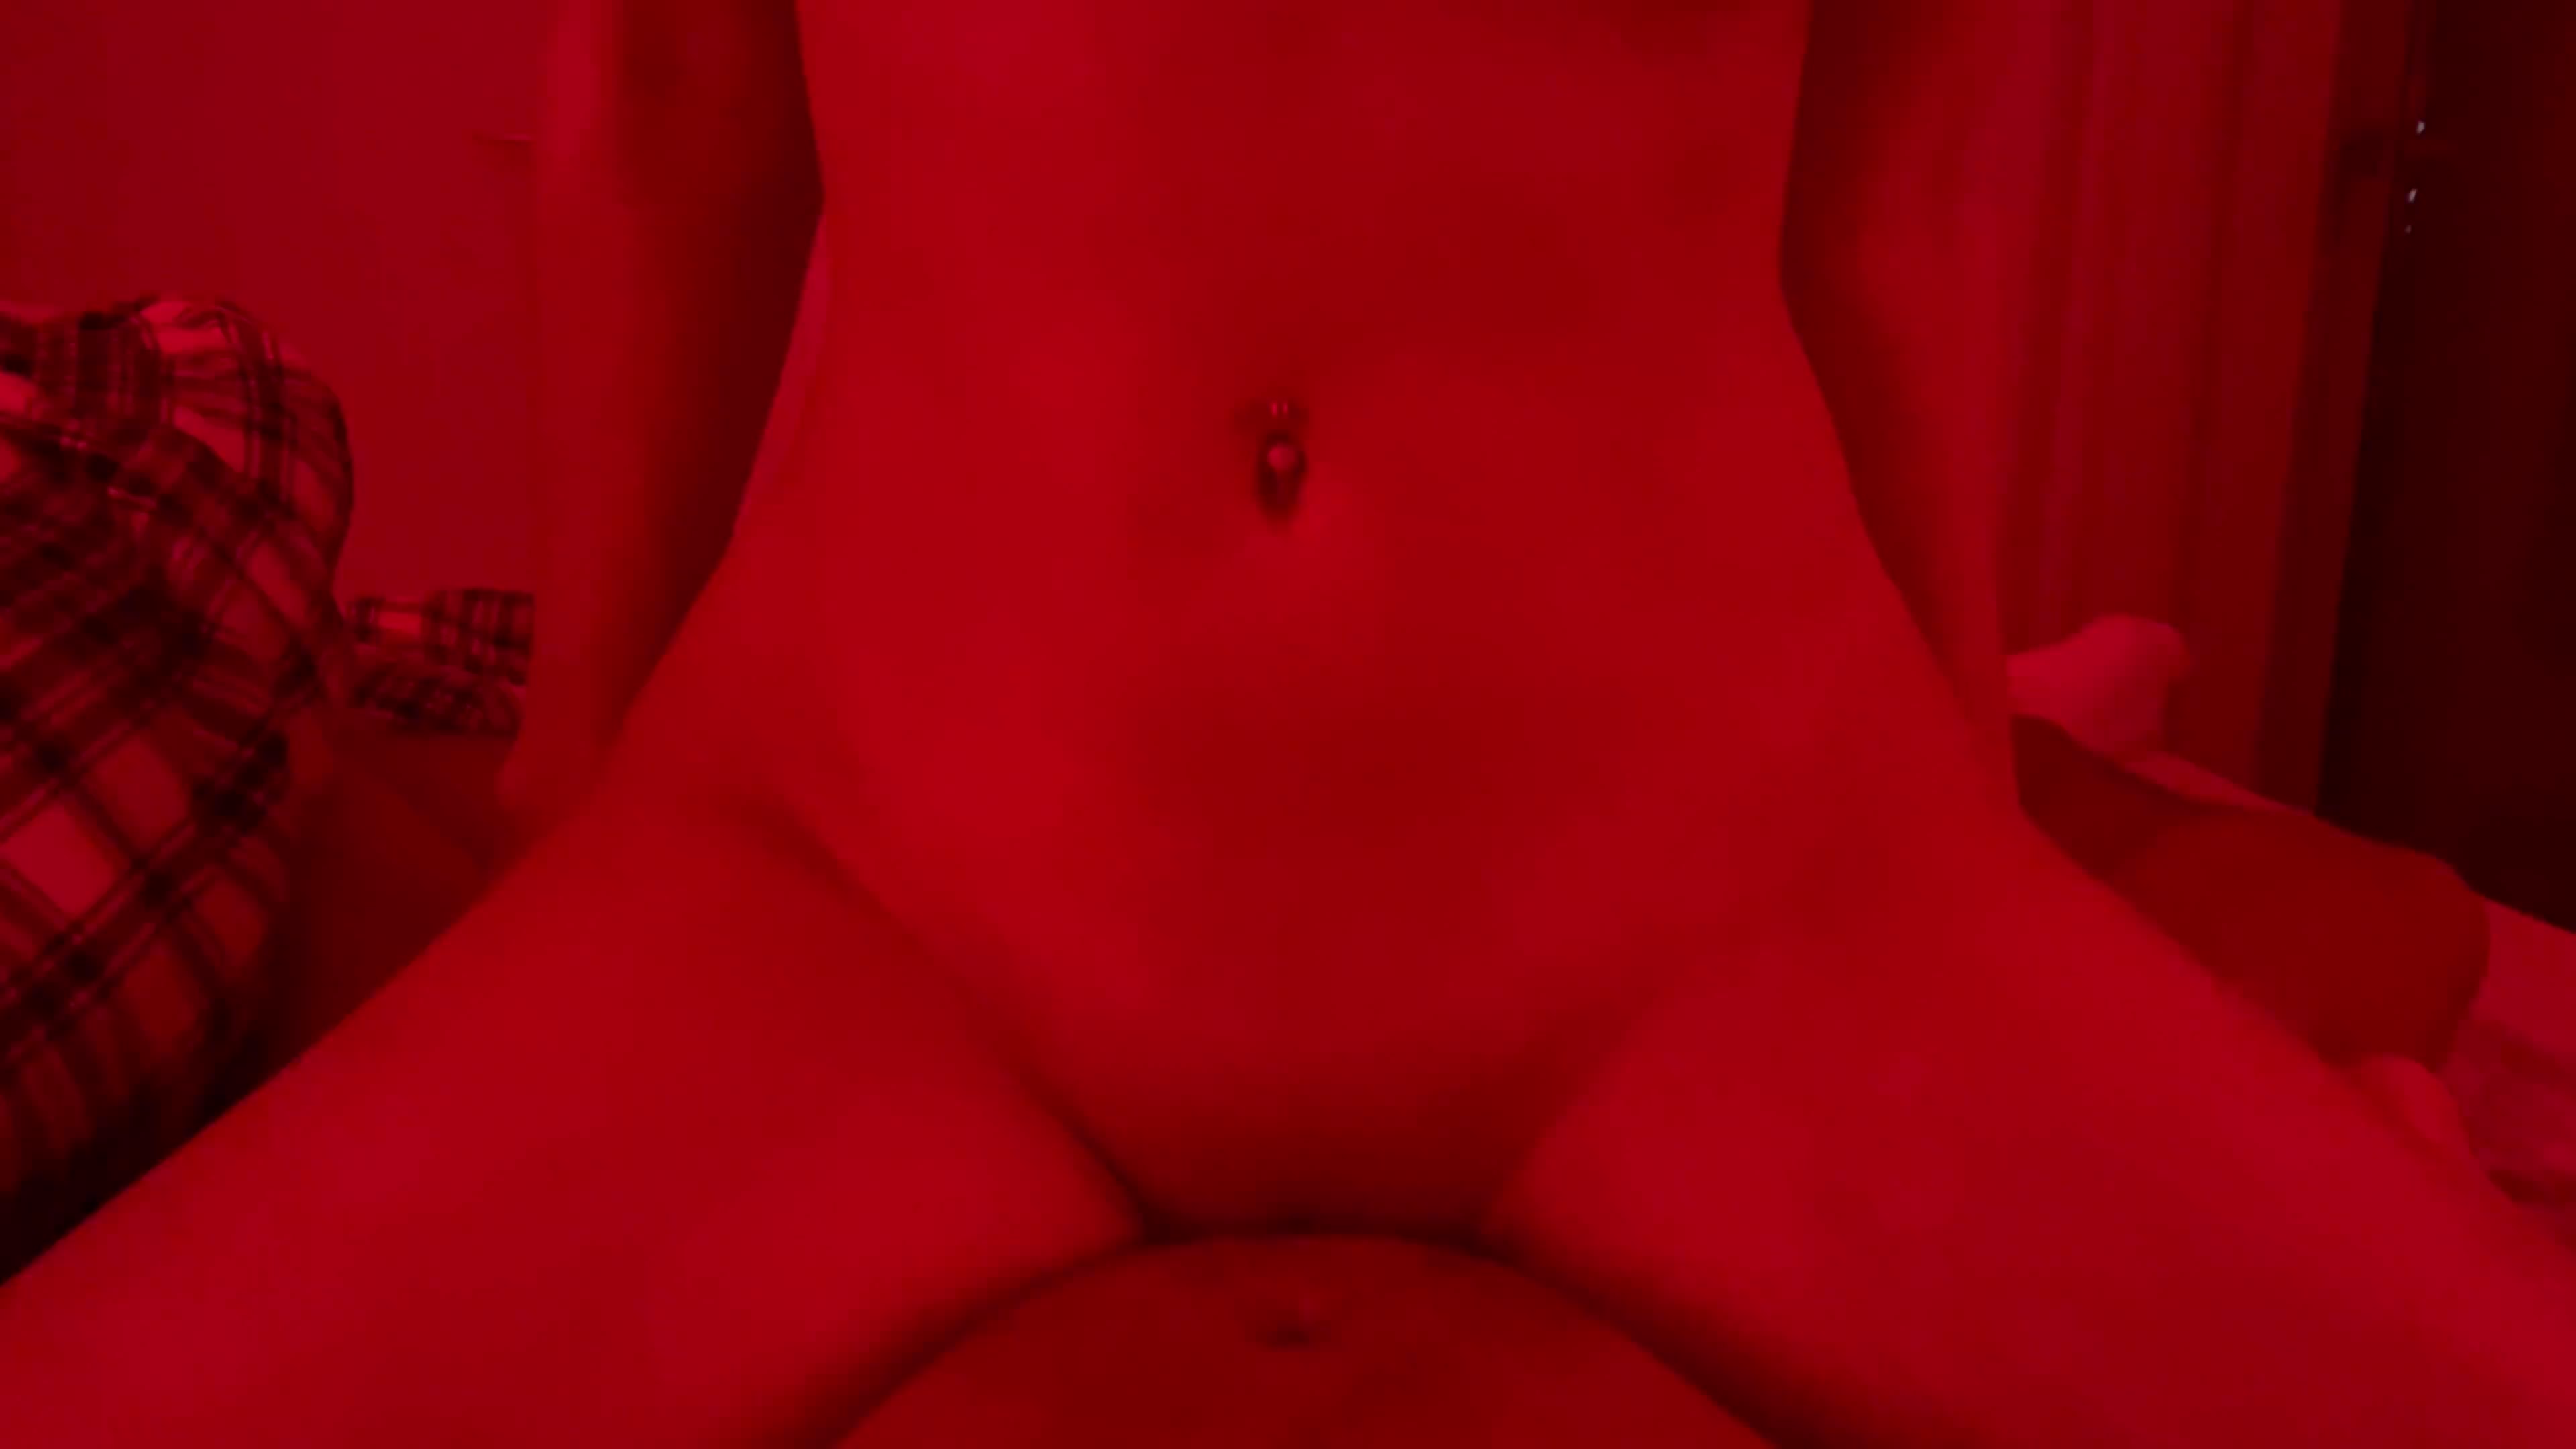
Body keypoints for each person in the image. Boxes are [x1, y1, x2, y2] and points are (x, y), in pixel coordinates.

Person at [3, 1, 2571, 1444]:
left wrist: (1964, 821)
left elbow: (1887, 217)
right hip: (884, 884)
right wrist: (579, 803)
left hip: (1718, 885)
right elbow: (677, 110)